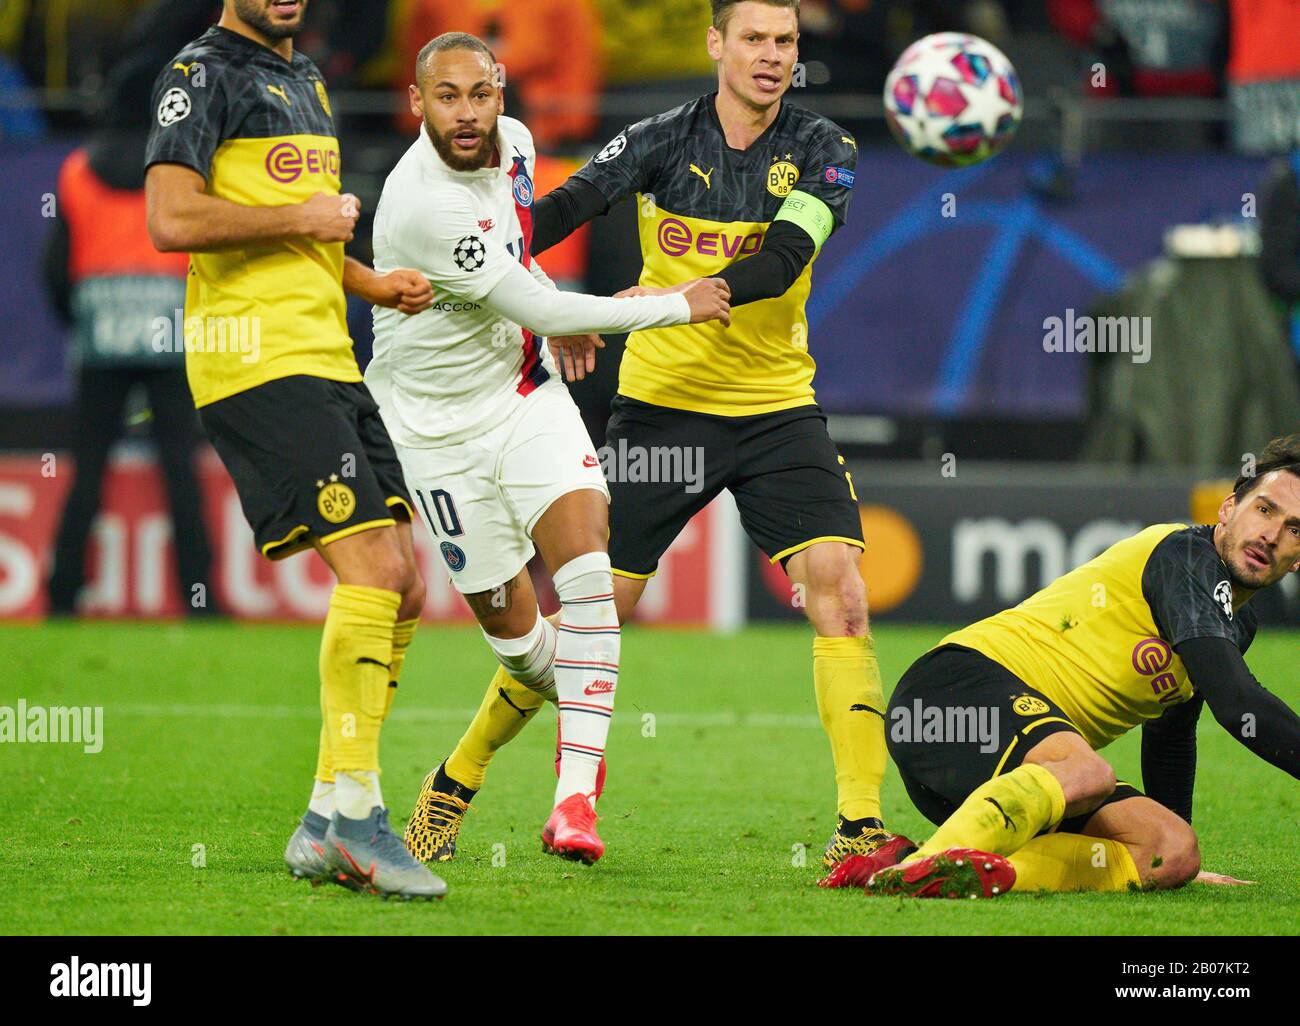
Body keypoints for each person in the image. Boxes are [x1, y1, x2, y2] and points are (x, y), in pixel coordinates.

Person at [404, 0, 897, 871]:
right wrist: (536, 297)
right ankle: (456, 779)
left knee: (842, 593)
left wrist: (654, 302)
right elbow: (552, 215)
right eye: (753, 38)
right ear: (716, 44)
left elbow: (782, 261)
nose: (771, 56)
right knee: (593, 617)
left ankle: (858, 827)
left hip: (778, 409)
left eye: (784, 41)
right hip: (662, 411)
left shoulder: (827, 151)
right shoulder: (658, 138)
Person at [368, 33, 730, 863]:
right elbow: (538, 298)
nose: (467, 114)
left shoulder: (522, 147)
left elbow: (521, 260)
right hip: (435, 434)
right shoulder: (420, 203)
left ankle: (574, 806)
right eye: (447, 98)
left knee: (590, 575)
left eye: (480, 95)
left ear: (501, 92)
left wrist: (543, 315)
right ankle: (456, 778)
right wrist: (667, 304)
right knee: (530, 657)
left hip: (524, 395)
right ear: (417, 105)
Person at [144, 0, 445, 899]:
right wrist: (304, 221)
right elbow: (171, 218)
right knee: (370, 572)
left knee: (404, 583)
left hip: (326, 355)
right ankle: (358, 817)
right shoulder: (200, 76)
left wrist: (368, 282)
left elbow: (302, 229)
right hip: (253, 358)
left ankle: (325, 815)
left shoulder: (306, 75)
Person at [823, 435, 1300, 898]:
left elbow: (1171, 734)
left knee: (1171, 853)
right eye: (1264, 509)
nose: (1271, 535)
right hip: (949, 697)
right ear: (1228, 508)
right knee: (1090, 772)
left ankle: (968, 869)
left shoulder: (1236, 622)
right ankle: (906, 874)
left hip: (1008, 783)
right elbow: (1238, 704)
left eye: (1295, 528)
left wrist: (1169, 829)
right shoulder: (1187, 556)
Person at [45, 56, 216, 618]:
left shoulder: (75, 170)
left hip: (101, 335)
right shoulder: (176, 170)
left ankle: (63, 594)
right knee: (179, 468)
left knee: (88, 467)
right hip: (167, 333)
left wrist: (84, 318)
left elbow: (54, 268)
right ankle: (201, 599)